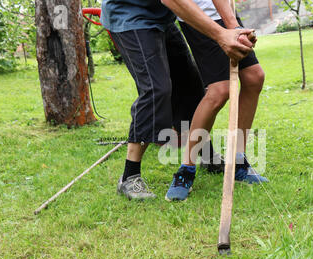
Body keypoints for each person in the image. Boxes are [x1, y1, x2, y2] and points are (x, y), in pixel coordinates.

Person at [100, 0, 255, 200]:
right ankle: (129, 176)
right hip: (129, 17)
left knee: (190, 84)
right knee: (156, 89)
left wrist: (233, 27)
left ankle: (208, 157)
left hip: (163, 17)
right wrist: (220, 35)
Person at [165, 0, 268, 202]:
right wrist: (225, 31)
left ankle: (238, 163)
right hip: (199, 16)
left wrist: (234, 26)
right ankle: (186, 169)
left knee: (254, 77)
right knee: (219, 91)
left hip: (224, 11)